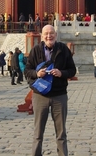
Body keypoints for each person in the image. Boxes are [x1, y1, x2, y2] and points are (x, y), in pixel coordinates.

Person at [24, 24, 76, 156]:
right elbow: (27, 70)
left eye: (51, 33)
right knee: (38, 132)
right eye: (46, 34)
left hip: (59, 95)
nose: (49, 36)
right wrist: (37, 74)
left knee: (61, 132)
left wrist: (61, 73)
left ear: (56, 35)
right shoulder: (35, 50)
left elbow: (72, 70)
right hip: (40, 95)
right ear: (42, 36)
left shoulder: (63, 49)